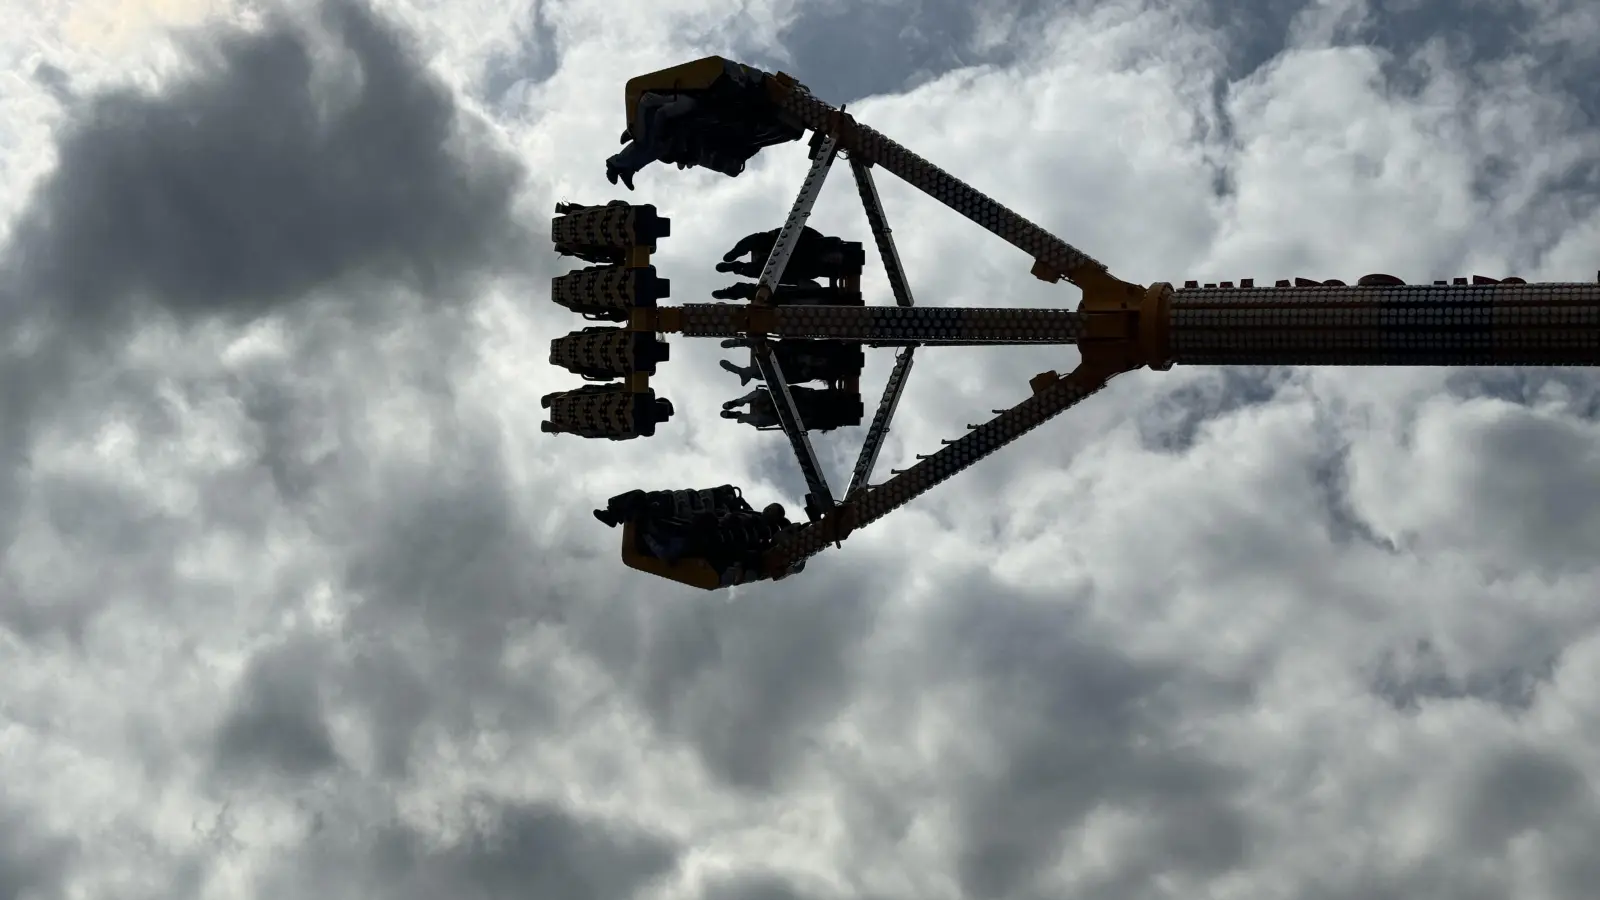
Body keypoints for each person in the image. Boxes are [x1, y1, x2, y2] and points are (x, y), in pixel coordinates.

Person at [715, 227, 860, 281]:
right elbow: (794, 230)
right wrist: (775, 236)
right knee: (760, 240)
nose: (833, 259)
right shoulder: (816, 238)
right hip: (781, 246)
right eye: (836, 257)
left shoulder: (814, 271)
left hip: (779, 265)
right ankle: (736, 252)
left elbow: (792, 277)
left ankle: (736, 267)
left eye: (835, 261)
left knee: (760, 272)